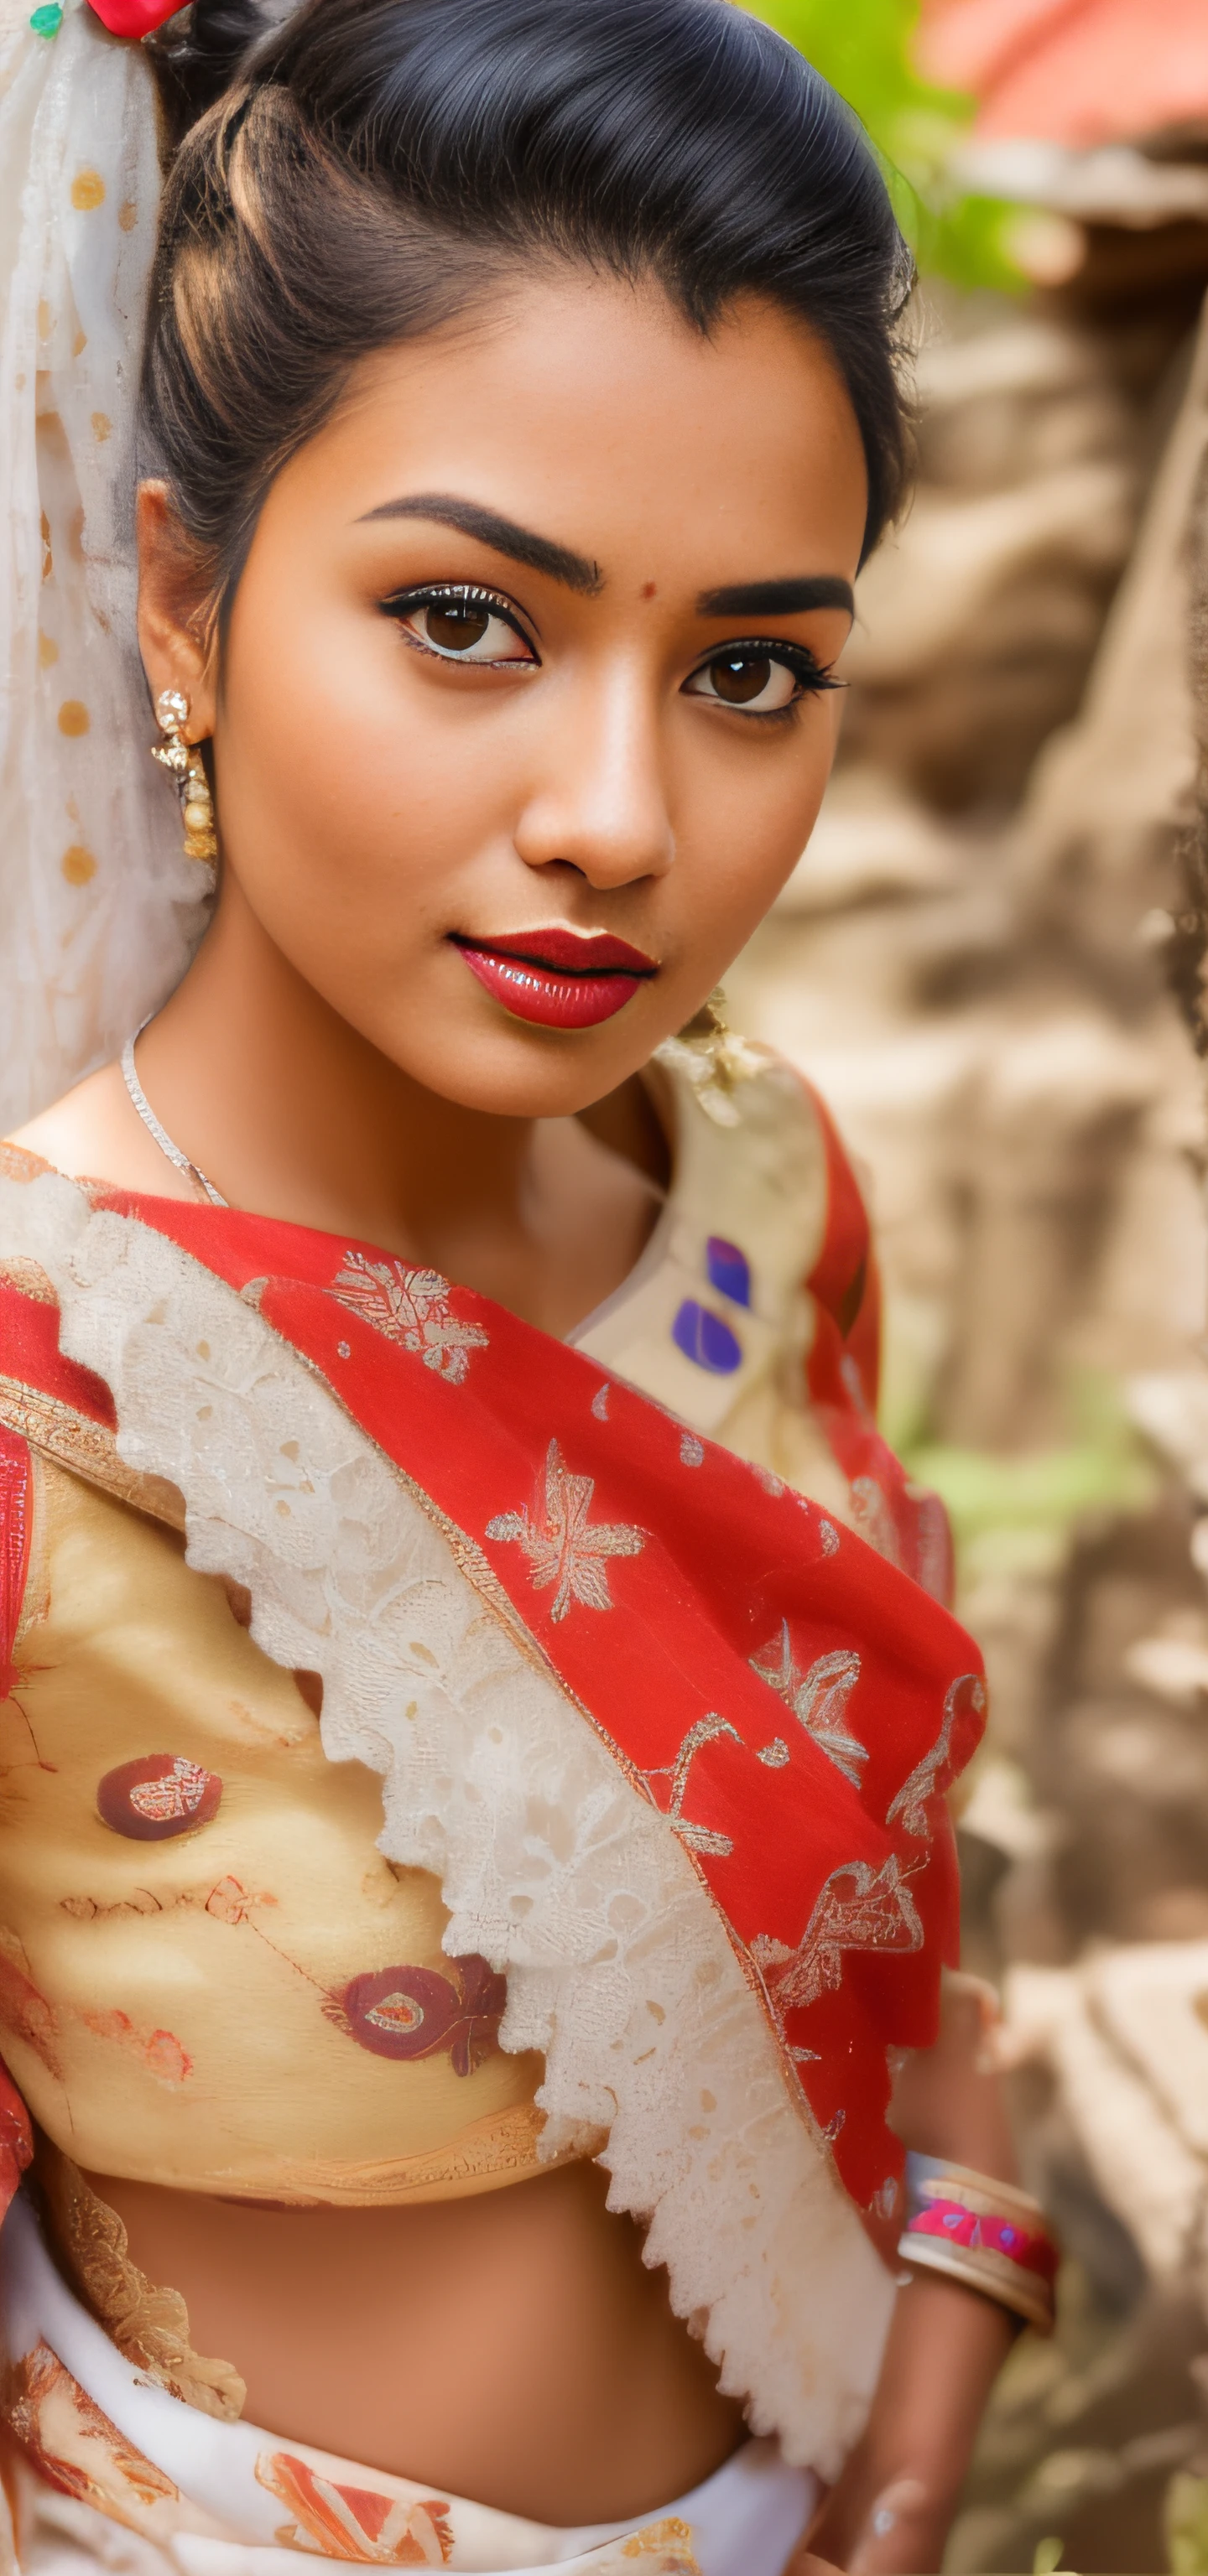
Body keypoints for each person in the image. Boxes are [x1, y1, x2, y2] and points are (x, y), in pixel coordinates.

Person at [0, 0, 1057, 2566]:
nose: (618, 819)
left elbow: (894, 1882)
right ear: (180, 600)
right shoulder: (44, 1404)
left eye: (749, 676)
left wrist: (952, 2310)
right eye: (471, 620)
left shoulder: (767, 1198)